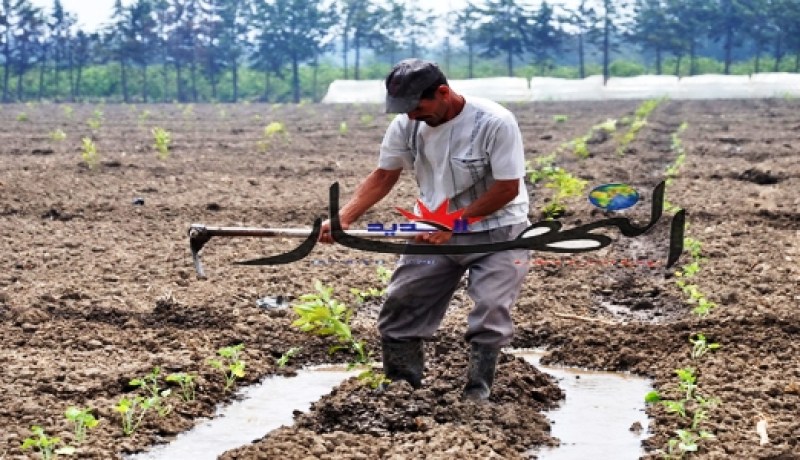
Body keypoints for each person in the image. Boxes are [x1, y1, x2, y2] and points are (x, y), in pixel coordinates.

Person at [319, 58, 530, 401]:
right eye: (405, 109)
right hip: (430, 231)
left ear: (443, 93)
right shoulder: (407, 124)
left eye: (418, 106)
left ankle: (478, 392)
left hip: (498, 232)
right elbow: (384, 175)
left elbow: (507, 188)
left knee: (491, 308)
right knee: (403, 302)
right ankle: (402, 388)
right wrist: (345, 217)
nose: (412, 115)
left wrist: (457, 222)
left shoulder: (494, 122)